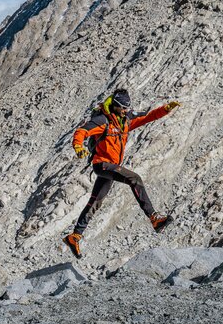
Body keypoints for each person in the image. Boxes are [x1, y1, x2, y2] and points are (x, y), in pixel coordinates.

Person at [63, 89, 181, 259]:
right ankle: (154, 218)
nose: (126, 110)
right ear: (115, 106)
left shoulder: (125, 120)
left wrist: (166, 109)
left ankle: (74, 236)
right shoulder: (102, 120)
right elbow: (82, 131)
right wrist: (78, 146)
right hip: (102, 164)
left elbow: (147, 116)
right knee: (135, 179)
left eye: (128, 107)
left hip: (111, 166)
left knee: (96, 202)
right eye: (123, 108)